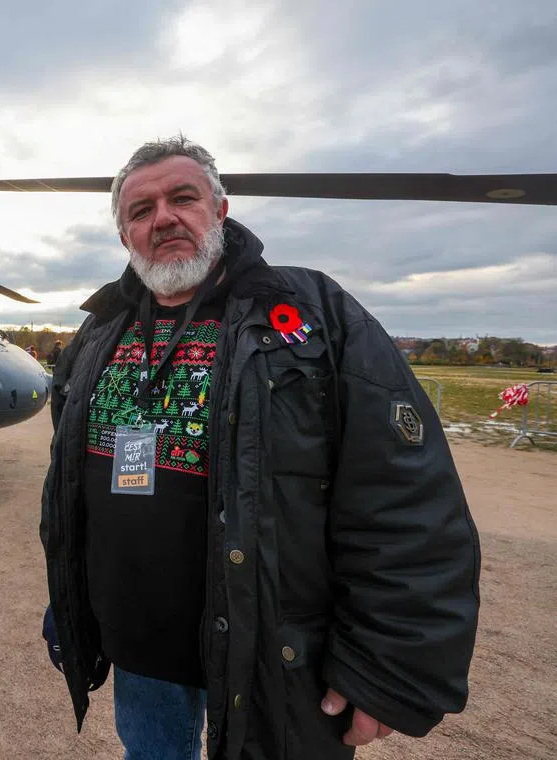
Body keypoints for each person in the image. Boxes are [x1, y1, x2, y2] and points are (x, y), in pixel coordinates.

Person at [39, 137, 480, 760]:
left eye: (182, 198)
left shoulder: (312, 315)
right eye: (140, 211)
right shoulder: (99, 330)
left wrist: (389, 664)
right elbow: (69, 487)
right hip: (138, 651)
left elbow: (404, 497)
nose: (162, 218)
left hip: (268, 651)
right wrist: (68, 598)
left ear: (220, 210)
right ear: (124, 238)